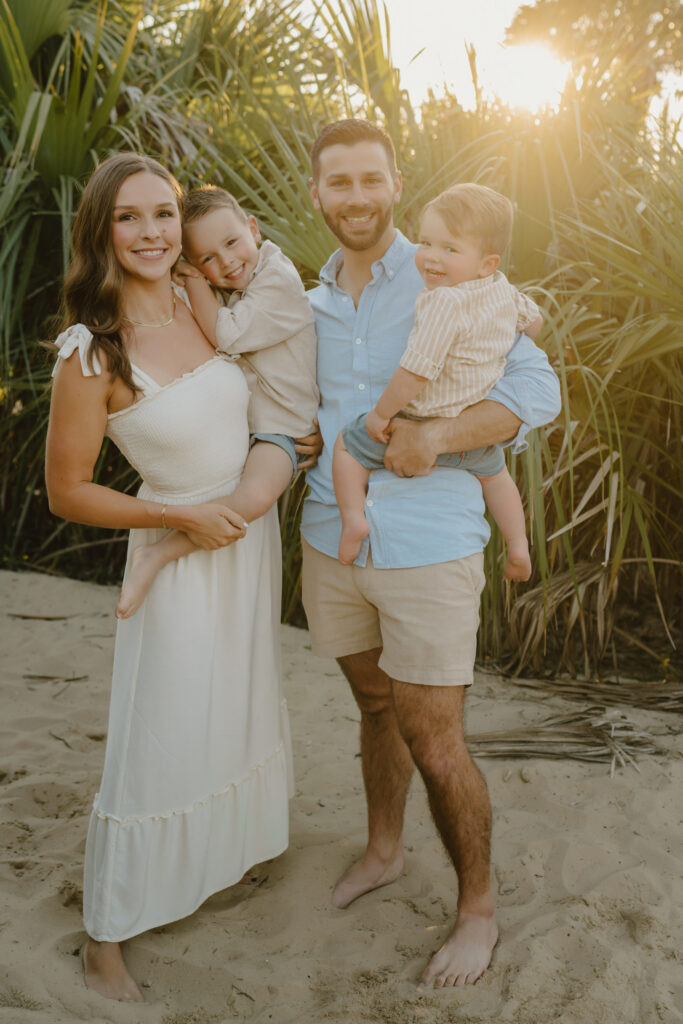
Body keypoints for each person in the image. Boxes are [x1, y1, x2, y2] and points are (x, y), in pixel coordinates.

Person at [45, 153, 315, 1002]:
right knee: (154, 737)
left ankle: (215, 859)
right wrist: (176, 519)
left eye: (164, 213)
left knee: (229, 707)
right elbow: (67, 491)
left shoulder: (216, 307)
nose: (154, 231)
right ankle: (105, 941)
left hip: (243, 542)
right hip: (178, 555)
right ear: (102, 231)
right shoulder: (93, 353)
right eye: (130, 217)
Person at [302, 119, 561, 988]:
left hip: (428, 548)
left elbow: (538, 391)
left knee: (434, 737)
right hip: (329, 539)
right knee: (374, 707)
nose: (356, 198)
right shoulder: (312, 302)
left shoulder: (446, 272)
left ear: (394, 182)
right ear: (316, 194)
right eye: (338, 183)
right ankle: (382, 850)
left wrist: (441, 433)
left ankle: (476, 910)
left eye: (370, 180)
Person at [116, 185, 318, 618]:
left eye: (231, 243)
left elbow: (226, 334)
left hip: (282, 430)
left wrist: (192, 278)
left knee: (256, 497)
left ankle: (158, 554)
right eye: (207, 258)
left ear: (253, 228)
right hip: (240, 432)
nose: (226, 262)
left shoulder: (277, 278)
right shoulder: (222, 286)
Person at [332, 181, 542, 570]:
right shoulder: (502, 290)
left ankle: (352, 520)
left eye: (450, 249)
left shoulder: (443, 300)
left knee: (347, 446)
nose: (431, 257)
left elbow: (416, 371)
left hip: (420, 418)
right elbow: (535, 322)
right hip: (470, 424)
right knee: (496, 479)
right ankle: (517, 546)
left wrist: (380, 414)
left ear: (486, 263)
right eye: (426, 242)